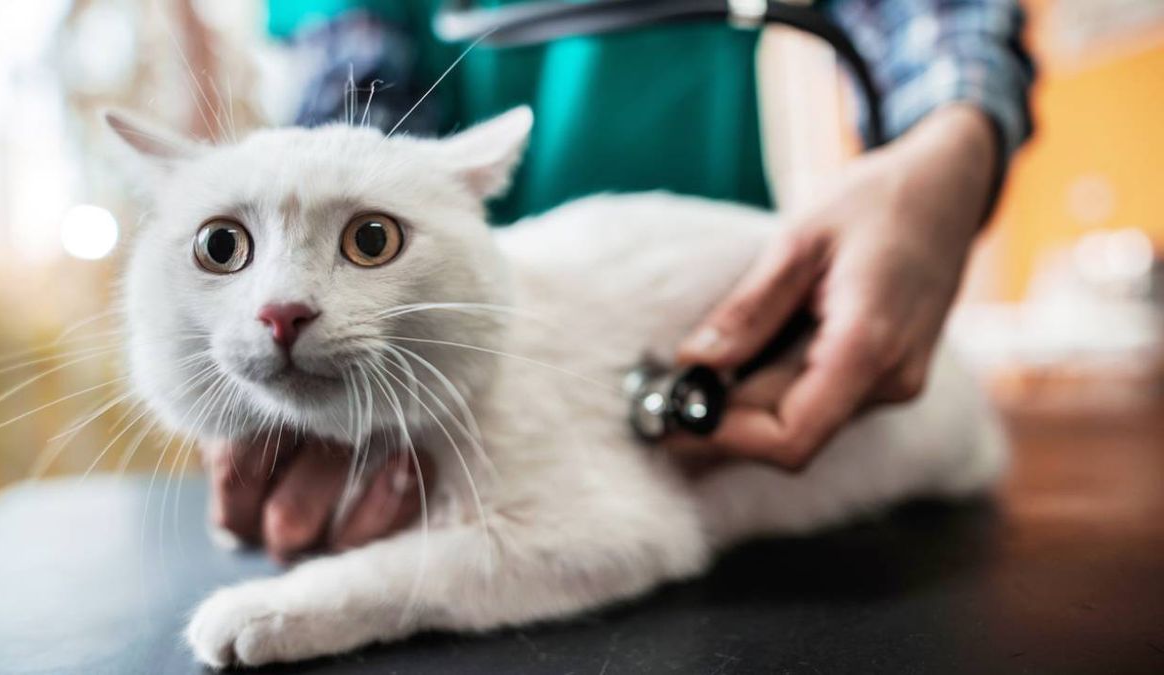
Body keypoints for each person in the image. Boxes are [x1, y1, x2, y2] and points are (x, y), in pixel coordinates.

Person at [208, 0, 1034, 561]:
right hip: (470, 332)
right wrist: (337, 301)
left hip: (732, 305)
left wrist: (947, 150)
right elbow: (356, 85)